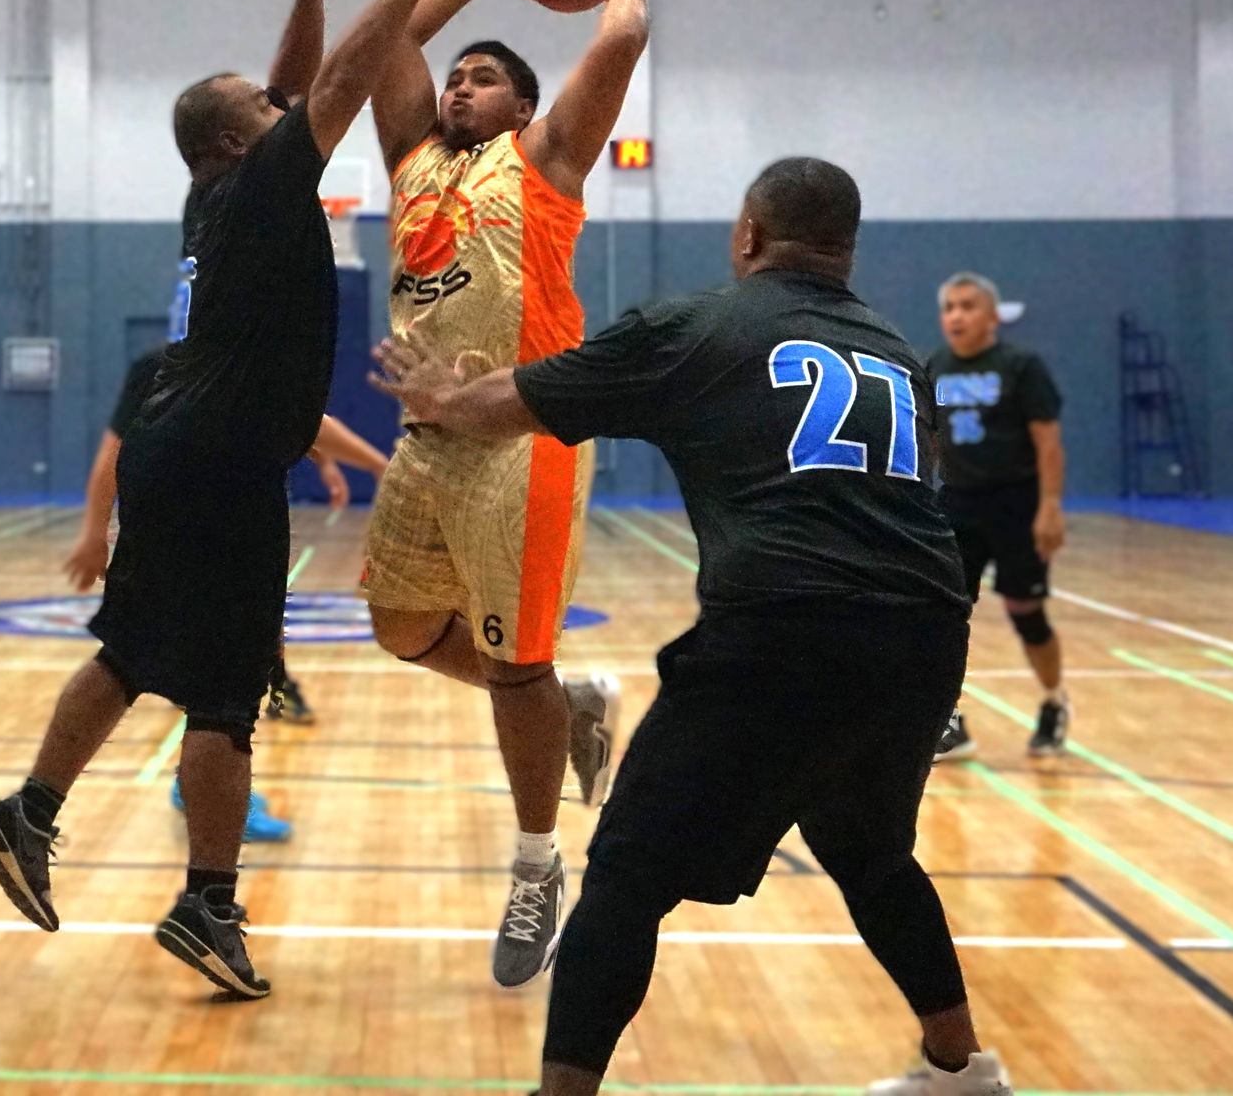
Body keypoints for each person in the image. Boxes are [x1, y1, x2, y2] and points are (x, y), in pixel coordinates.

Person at [374, 157, 1013, 1096]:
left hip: (782, 634)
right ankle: (963, 1068)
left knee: (626, 876)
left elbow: (516, 403)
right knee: (872, 854)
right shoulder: (897, 352)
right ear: (845, 250)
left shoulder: (699, 326)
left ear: (748, 235)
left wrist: (439, 399)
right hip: (926, 636)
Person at [0, 0, 477, 1001]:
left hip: (176, 449)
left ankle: (28, 811)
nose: (277, 100)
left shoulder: (219, 189)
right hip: (223, 463)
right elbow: (331, 87)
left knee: (129, 649)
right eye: (259, 102)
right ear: (238, 135)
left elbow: (291, 86)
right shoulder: (258, 186)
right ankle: (207, 903)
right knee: (225, 697)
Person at [359, 0, 650, 988]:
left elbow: (621, 41)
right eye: (457, 76)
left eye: (483, 78)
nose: (458, 86)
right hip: (427, 436)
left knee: (514, 664)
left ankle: (537, 865)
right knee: (400, 627)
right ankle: (570, 704)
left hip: (527, 435)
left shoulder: (546, 161)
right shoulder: (412, 162)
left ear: (522, 107)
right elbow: (395, 37)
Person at [63, 340, 393, 727]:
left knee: (252, 618)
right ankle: (239, 692)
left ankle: (269, 690)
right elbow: (113, 454)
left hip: (220, 525)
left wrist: (336, 464)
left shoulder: (246, 370)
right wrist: (94, 534)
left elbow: (307, 425)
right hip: (186, 527)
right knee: (148, 650)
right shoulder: (178, 370)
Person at [927, 274, 1069, 762]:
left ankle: (1053, 702)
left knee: (1026, 612)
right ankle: (949, 719)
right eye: (949, 307)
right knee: (945, 612)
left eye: (968, 306)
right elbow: (931, 440)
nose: (956, 316)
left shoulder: (1020, 367)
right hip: (957, 503)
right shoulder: (936, 368)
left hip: (1016, 505)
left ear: (991, 316)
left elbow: (1048, 444)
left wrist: (1050, 508)